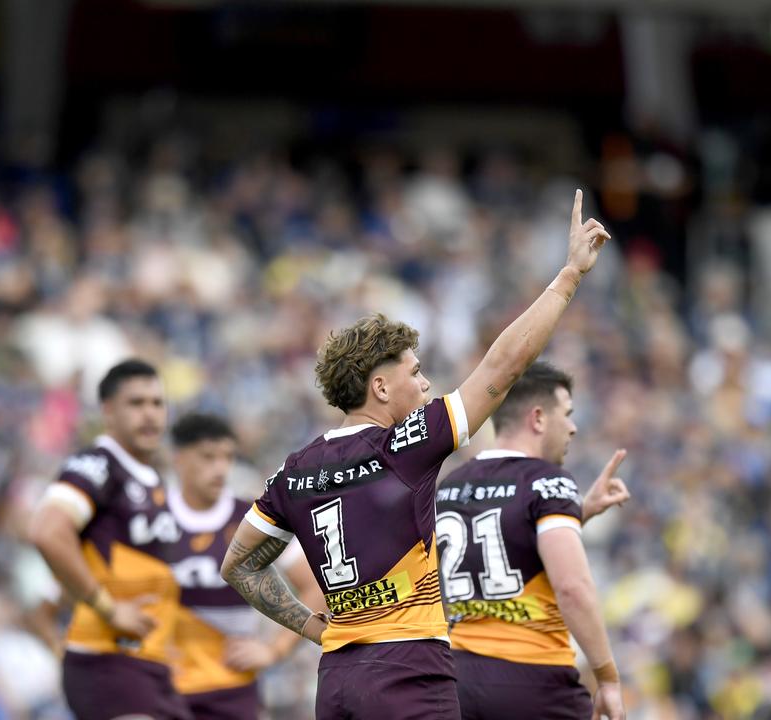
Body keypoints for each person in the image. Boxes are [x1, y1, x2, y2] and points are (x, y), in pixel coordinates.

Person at [221, 189, 612, 720]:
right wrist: (569, 277)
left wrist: (315, 628)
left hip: (337, 682)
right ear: (381, 388)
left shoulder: (296, 469)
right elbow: (503, 369)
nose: (427, 387)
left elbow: (239, 565)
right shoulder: (404, 445)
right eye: (416, 373)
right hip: (409, 674)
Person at [436, 362, 628, 720]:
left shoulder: (452, 485)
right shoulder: (547, 481)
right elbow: (572, 587)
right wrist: (608, 677)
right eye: (567, 414)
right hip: (533, 678)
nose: (572, 427)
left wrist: (579, 511)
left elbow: (505, 546)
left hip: (457, 683)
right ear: (538, 418)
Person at [28, 359, 191, 720]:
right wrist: (107, 608)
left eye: (156, 403)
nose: (149, 414)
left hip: (151, 665)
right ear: (108, 412)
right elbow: (47, 531)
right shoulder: (99, 465)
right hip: (109, 662)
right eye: (136, 403)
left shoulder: (151, 480)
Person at [165, 413, 323, 719]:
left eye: (227, 457)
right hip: (161, 689)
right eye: (208, 457)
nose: (221, 468)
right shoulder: (150, 519)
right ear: (179, 459)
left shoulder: (251, 521)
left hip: (232, 692)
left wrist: (274, 650)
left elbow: (315, 586)